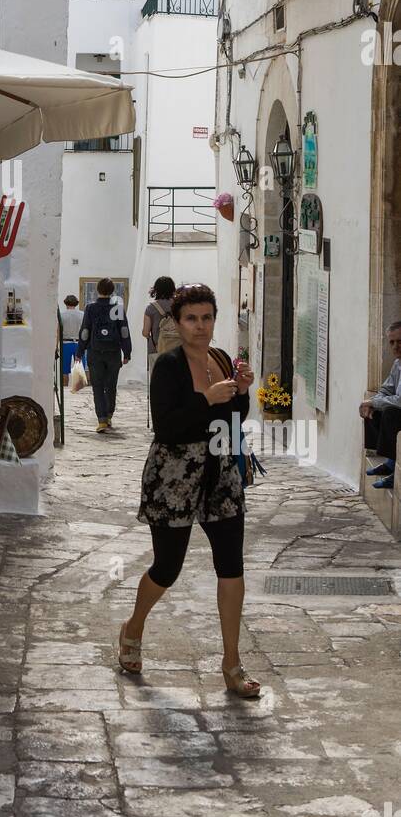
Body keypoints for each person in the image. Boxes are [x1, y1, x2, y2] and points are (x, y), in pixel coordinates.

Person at [119, 284, 261, 698]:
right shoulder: (168, 365)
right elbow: (166, 426)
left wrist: (242, 391)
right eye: (191, 319)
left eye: (207, 318)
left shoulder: (219, 358)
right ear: (177, 323)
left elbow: (233, 416)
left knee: (231, 567)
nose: (200, 327)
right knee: (168, 567)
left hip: (220, 473)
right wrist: (207, 399)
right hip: (175, 476)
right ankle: (134, 626)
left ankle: (232, 663)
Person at [76, 279, 131, 433]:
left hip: (95, 352)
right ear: (112, 291)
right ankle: (109, 415)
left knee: (98, 387)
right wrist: (127, 352)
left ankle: (101, 420)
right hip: (113, 353)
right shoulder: (117, 308)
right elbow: (124, 331)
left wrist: (80, 351)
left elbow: (85, 331)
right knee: (111, 386)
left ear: (97, 289)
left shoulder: (91, 308)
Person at [359, 320, 401, 490]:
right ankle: (390, 462)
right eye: (392, 342)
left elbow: (400, 400)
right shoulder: (398, 363)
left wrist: (373, 401)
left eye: (400, 341)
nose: (395, 346)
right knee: (371, 410)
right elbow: (386, 389)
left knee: (390, 413)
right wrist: (371, 403)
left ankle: (395, 469)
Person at [142, 276, 178, 377]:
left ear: (156, 290)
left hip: (156, 348)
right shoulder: (179, 306)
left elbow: (145, 332)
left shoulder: (151, 308)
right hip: (178, 348)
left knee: (158, 380)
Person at [60, 294, 81, 378]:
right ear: (76, 303)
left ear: (65, 303)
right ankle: (81, 390)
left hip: (65, 343)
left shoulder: (62, 315)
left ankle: (64, 390)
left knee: (64, 371)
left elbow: (58, 331)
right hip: (79, 344)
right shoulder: (82, 314)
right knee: (80, 370)